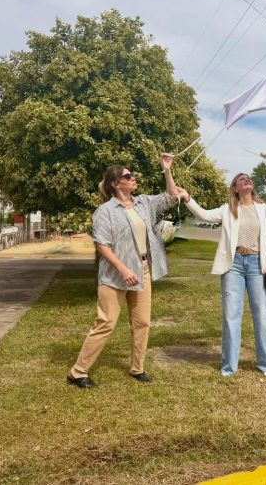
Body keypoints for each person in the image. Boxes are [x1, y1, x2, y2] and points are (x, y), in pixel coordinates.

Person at [67, 154, 178, 388]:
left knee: (142, 322)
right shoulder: (105, 211)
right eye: (128, 176)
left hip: (143, 270)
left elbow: (171, 196)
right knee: (106, 322)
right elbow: (102, 245)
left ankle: (137, 368)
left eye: (132, 175)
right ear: (116, 184)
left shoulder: (143, 203)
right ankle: (78, 371)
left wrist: (167, 170)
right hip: (114, 275)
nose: (133, 178)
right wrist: (123, 269)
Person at [176, 174, 266, 377]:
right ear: (235, 188)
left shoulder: (264, 209)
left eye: (249, 178)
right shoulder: (228, 209)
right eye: (241, 179)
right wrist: (187, 198)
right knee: (231, 315)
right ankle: (229, 366)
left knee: (262, 313)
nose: (247, 179)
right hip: (233, 266)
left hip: (258, 265)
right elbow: (203, 215)